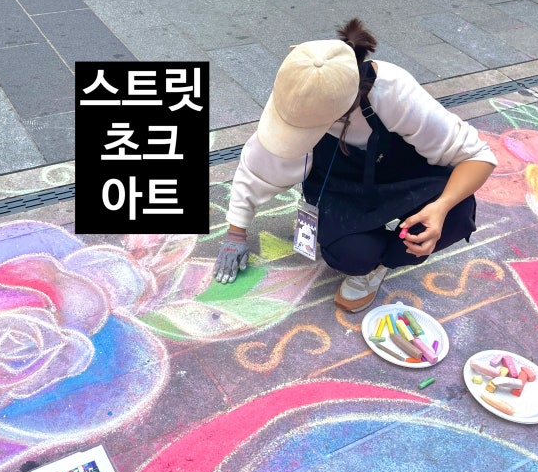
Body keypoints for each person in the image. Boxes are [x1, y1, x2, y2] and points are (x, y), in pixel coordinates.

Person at [213, 18, 497, 313]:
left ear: (344, 108)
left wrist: (440, 207)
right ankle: (369, 266)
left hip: (405, 177)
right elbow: (257, 166)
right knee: (350, 255)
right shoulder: (299, 91)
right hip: (341, 185)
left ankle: (387, 261)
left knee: (455, 215)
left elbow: (478, 156)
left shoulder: (393, 92)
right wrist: (236, 234)